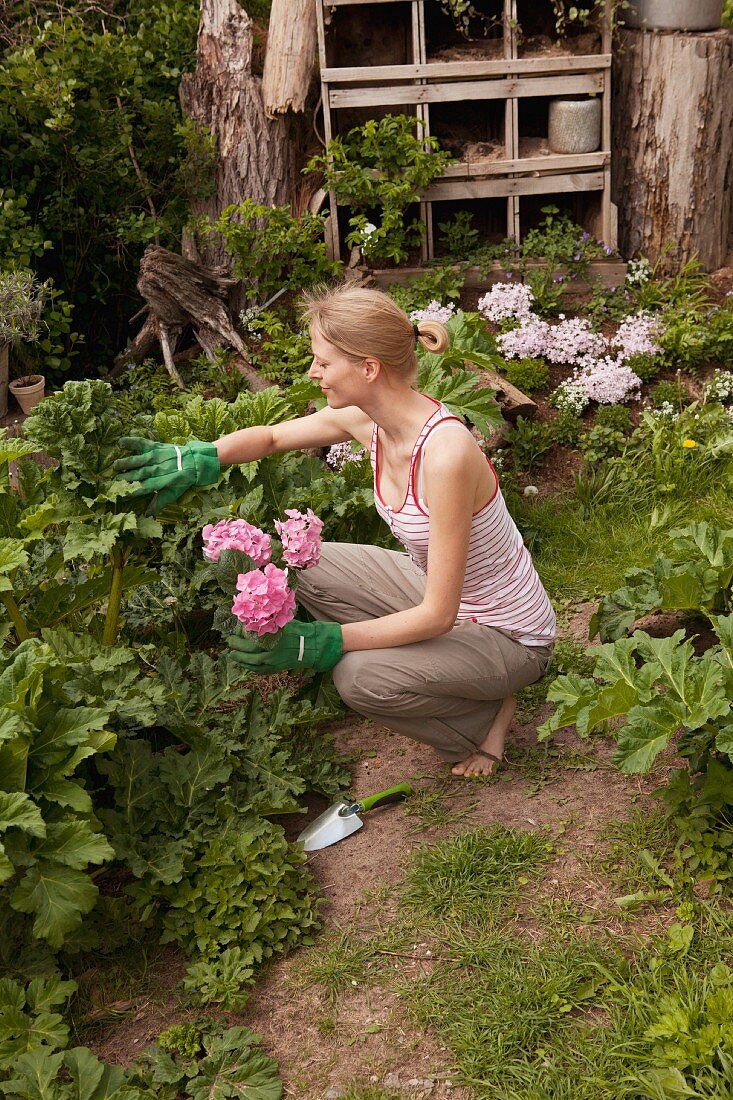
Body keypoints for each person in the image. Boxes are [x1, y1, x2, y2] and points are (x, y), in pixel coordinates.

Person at [114, 285, 555, 777]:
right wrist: (198, 456)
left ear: (368, 368)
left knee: (358, 676)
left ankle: (482, 719)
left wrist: (322, 642)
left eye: (323, 362)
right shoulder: (368, 420)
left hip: (508, 635)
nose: (312, 372)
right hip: (444, 600)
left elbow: (437, 614)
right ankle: (455, 681)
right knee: (301, 563)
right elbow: (275, 436)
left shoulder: (445, 454)